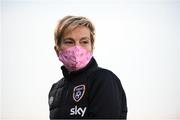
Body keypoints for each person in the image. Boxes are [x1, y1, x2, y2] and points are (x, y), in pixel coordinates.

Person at [48, 15, 128, 119]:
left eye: (84, 42)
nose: (77, 48)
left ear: (92, 47)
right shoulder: (55, 89)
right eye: (69, 42)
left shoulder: (103, 79)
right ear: (57, 49)